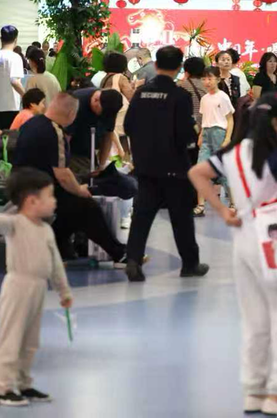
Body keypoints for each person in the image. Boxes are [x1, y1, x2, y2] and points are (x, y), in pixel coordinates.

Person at [189, 95, 277, 417]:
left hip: (244, 235)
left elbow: (197, 173)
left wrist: (222, 211)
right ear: (276, 123)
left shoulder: (233, 153)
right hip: (274, 238)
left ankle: (255, 391)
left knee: (255, 318)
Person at [123, 46, 207, 282]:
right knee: (182, 218)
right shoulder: (180, 96)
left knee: (142, 216)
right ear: (179, 68)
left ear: (157, 65)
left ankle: (133, 261)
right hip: (174, 168)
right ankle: (190, 264)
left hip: (145, 167)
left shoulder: (141, 94)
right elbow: (186, 135)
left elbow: (128, 126)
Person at [11, 94, 127, 264]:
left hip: (20, 184)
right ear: (72, 114)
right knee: (86, 206)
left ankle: (54, 247)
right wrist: (80, 189)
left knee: (73, 209)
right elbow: (63, 175)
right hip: (36, 189)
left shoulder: (31, 123)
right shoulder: (55, 132)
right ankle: (119, 253)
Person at [0, 168, 71, 408]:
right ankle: (3, 387)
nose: (54, 201)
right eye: (50, 196)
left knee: (30, 340)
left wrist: (64, 291)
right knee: (11, 338)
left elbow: (56, 264)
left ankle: (23, 382)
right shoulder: (14, 223)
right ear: (31, 201)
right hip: (17, 287)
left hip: (38, 288)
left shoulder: (46, 230)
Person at [195, 66, 236, 217]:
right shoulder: (204, 99)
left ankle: (233, 203)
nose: (207, 82)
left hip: (220, 133)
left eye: (210, 78)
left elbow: (230, 119)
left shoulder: (223, 97)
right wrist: (201, 135)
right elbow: (204, 119)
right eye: (204, 79)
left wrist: (227, 138)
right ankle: (201, 205)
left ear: (218, 79)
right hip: (207, 134)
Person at [99, 52, 134, 164]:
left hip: (108, 123)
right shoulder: (120, 78)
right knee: (124, 157)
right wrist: (136, 86)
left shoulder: (104, 79)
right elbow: (131, 97)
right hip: (120, 124)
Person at [0, 26, 25, 130]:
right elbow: (14, 81)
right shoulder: (15, 57)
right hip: (10, 106)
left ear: (1, 38)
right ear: (16, 39)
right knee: (8, 137)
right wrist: (26, 95)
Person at [178, 56, 207, 133]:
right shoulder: (209, 85)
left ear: (186, 72)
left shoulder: (182, 86)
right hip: (207, 127)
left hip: (191, 127)